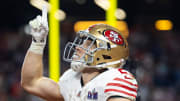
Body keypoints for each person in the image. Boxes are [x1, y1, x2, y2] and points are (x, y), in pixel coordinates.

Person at [21, 6, 138, 101]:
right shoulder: (72, 79)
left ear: (106, 55)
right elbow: (31, 82)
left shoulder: (114, 80)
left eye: (88, 45)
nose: (78, 48)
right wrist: (37, 43)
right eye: (82, 43)